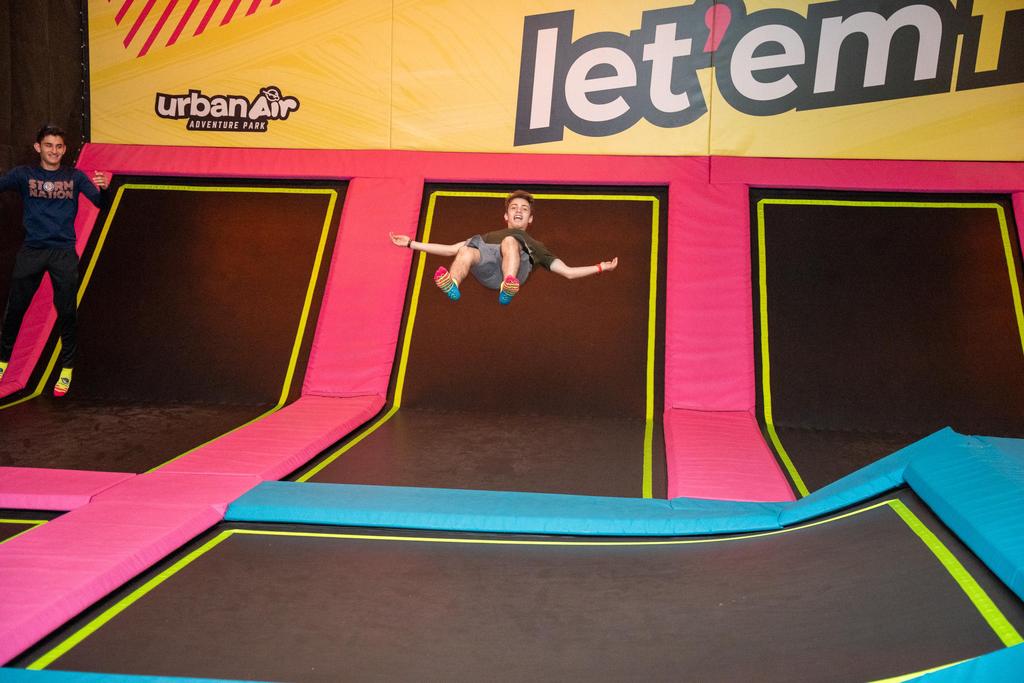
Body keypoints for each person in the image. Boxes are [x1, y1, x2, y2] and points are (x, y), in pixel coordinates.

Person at [0, 124, 108, 397]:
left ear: (64, 149)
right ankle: (2, 363)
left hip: (63, 254)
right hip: (32, 252)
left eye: (59, 146)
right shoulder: (23, 175)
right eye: (49, 145)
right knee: (15, 309)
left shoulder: (75, 177)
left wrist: (104, 190)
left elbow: (100, 203)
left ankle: (67, 368)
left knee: (67, 312)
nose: (54, 151)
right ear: (38, 147)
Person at [389, 190, 618, 304]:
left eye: (524, 209)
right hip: (488, 270)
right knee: (466, 250)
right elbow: (450, 249)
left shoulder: (537, 246)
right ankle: (453, 284)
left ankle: (508, 285)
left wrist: (600, 267)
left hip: (517, 270)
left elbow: (568, 272)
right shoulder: (488, 237)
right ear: (506, 215)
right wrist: (410, 243)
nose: (519, 210)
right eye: (514, 207)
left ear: (530, 219)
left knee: (510, 241)